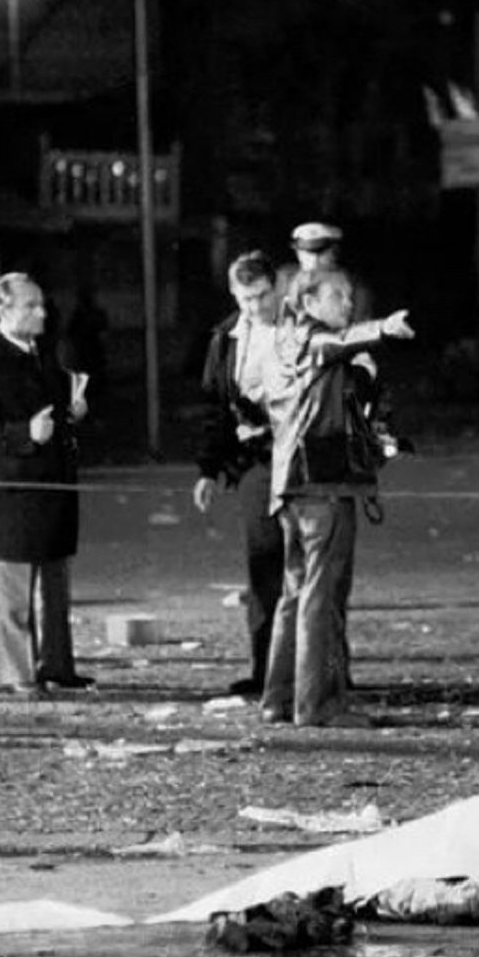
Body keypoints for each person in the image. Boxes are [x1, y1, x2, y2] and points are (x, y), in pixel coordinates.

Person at [263, 266, 413, 728]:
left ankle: (279, 699)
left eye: (350, 295)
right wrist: (382, 330)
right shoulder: (313, 341)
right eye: (337, 295)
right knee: (319, 598)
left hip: (292, 485)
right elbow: (338, 342)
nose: (347, 303)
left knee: (295, 595)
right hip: (321, 485)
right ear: (308, 303)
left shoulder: (283, 343)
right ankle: (318, 705)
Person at [0, 272, 94, 696]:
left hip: (52, 486)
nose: (41, 313)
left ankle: (57, 665)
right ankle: (19, 673)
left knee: (55, 587)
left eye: (41, 305)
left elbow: (55, 416)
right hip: (12, 492)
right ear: (2, 310)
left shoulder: (45, 354)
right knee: (15, 592)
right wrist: (23, 433)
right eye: (29, 306)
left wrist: (73, 411)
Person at [191, 251, 287, 699]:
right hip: (253, 464)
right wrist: (208, 470)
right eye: (246, 299)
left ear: (276, 287)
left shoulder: (297, 328)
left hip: (297, 458)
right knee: (263, 569)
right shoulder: (225, 338)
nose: (255, 307)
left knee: (310, 570)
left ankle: (321, 670)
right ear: (234, 295)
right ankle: (266, 670)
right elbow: (214, 406)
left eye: (263, 295)